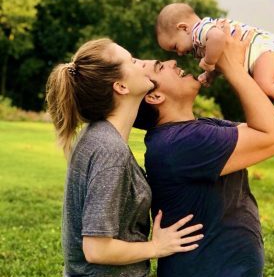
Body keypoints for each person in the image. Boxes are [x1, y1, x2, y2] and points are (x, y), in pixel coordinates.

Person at [133, 24, 274, 277]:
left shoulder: (196, 129)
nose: (174, 62)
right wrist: (231, 66)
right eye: (161, 67)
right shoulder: (182, 143)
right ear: (154, 97)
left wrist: (259, 71)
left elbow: (267, 125)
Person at [45, 38, 204, 277]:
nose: (141, 64)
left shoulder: (98, 135)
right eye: (132, 61)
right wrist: (156, 247)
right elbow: (96, 249)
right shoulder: (109, 148)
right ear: (121, 86)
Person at [155, 2, 274, 125]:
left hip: (265, 48)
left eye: (175, 47)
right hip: (260, 54)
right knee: (262, 88)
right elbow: (223, 57)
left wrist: (209, 63)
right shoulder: (201, 43)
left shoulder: (200, 30)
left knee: (264, 84)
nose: (180, 53)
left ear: (183, 28)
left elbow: (218, 38)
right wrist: (211, 74)